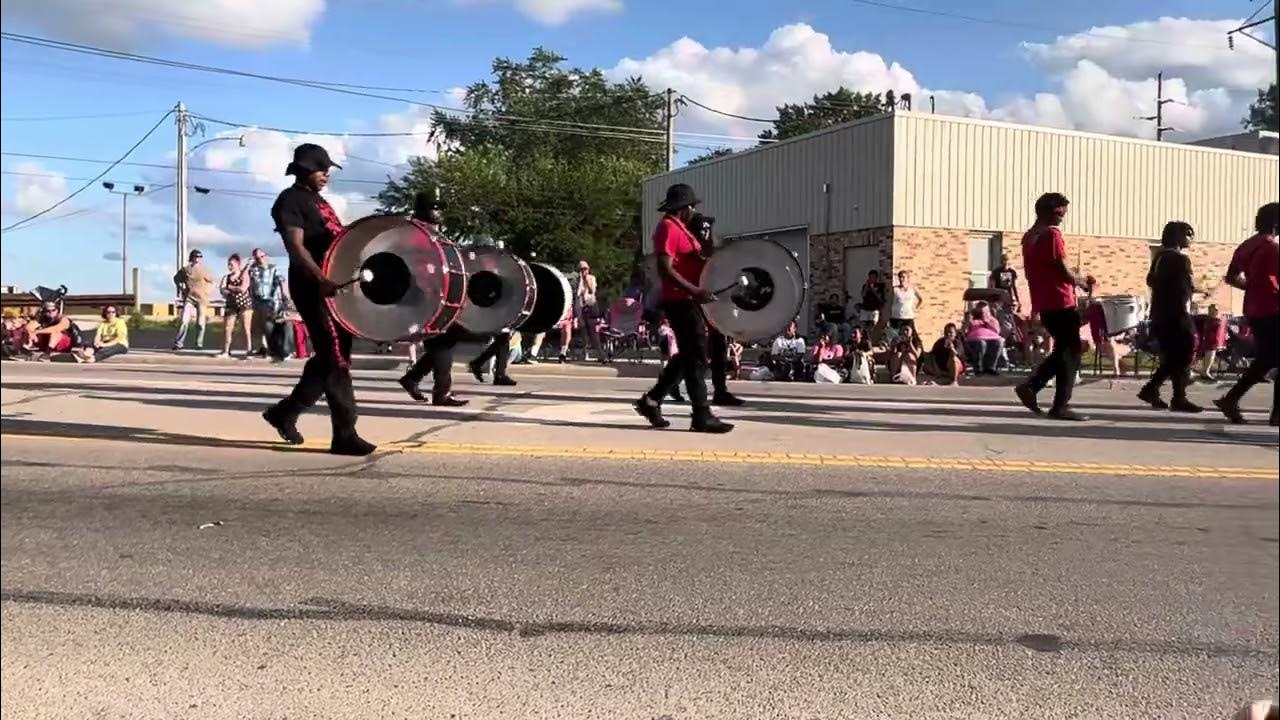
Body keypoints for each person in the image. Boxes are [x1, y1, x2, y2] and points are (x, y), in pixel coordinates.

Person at [262, 143, 375, 456]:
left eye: (327, 170)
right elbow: (296, 248)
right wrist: (322, 280)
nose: (326, 174)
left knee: (331, 356)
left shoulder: (319, 201)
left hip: (333, 286)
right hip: (312, 287)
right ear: (304, 169)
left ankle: (285, 413)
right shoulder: (289, 201)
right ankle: (345, 435)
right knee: (336, 359)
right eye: (321, 169)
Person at [633, 183, 732, 433]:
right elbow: (665, 269)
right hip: (680, 300)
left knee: (690, 353)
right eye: (692, 207)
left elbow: (699, 259)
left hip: (688, 299)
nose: (694, 211)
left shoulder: (682, 229)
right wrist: (695, 290)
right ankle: (701, 414)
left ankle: (651, 401)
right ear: (684, 208)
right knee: (697, 353)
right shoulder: (667, 227)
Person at [1014, 192, 1094, 421]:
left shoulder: (1029, 237)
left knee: (1064, 350)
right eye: (1058, 213)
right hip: (1060, 300)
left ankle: (1032, 387)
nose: (1061, 218)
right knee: (1071, 351)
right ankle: (1057, 403)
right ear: (1045, 212)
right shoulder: (1051, 234)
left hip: (1043, 300)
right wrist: (1081, 281)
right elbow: (1062, 268)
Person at [398, 190, 476, 406]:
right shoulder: (416, 233)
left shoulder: (435, 233)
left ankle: (412, 378)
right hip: (424, 297)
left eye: (440, 208)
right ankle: (441, 393)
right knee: (441, 345)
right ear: (423, 210)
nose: (439, 212)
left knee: (449, 338)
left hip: (440, 296)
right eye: (434, 208)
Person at [1215, 202, 1279, 426]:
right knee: (1268, 358)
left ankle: (1233, 400)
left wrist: (1251, 288)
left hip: (1254, 309)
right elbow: (1274, 282)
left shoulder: (1246, 246)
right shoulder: (1272, 249)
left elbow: (1232, 277)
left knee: (1267, 358)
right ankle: (1234, 400)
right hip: (1273, 309)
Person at [1138, 221, 1202, 413]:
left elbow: (1151, 281)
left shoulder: (1159, 257)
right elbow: (1184, 288)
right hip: (1176, 313)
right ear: (1177, 237)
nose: (1190, 239)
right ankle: (1170, 394)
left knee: (1173, 355)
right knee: (1185, 352)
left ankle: (1160, 391)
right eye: (1187, 235)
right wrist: (1191, 295)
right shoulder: (1180, 259)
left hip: (1160, 313)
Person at [685, 212, 743, 406]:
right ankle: (677, 385)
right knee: (695, 348)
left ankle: (720, 390)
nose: (706, 233)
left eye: (707, 230)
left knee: (718, 346)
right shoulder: (690, 253)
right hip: (694, 303)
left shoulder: (713, 254)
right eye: (702, 230)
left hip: (712, 305)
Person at [172, 249, 213, 350]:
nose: (197, 259)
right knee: (184, 320)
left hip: (201, 298)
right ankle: (179, 343)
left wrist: (207, 292)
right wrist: (181, 288)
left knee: (200, 322)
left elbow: (211, 282)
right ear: (192, 258)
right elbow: (176, 279)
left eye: (199, 257)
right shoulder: (185, 269)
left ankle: (199, 343)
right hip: (189, 297)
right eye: (196, 257)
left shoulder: (204, 270)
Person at [249, 247, 286, 357]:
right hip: (257, 301)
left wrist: (284, 294)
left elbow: (281, 281)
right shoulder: (253, 269)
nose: (260, 259)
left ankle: (275, 349)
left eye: (261, 256)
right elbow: (250, 283)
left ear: (266, 256)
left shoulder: (273, 268)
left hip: (270, 300)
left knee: (269, 326)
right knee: (259, 326)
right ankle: (262, 348)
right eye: (257, 258)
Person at [217, 253, 253, 359]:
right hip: (231, 304)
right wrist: (228, 290)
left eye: (231, 264)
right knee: (228, 328)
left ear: (238, 264)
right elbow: (222, 290)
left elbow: (243, 288)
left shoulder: (244, 274)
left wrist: (230, 287)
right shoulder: (226, 277)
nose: (229, 267)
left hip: (244, 304)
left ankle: (249, 351)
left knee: (246, 328)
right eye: (228, 264)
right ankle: (226, 351)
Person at [574, 260, 606, 362]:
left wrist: (586, 280)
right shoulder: (576, 280)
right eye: (581, 269)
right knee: (583, 331)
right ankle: (584, 353)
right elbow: (577, 293)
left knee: (593, 331)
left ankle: (601, 354)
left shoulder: (592, 278)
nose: (583, 271)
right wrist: (580, 281)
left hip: (590, 306)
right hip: (580, 306)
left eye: (585, 269)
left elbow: (592, 290)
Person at [964, 302, 1005, 375]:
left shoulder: (992, 320)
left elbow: (997, 331)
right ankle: (978, 368)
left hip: (991, 339)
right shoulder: (972, 320)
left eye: (985, 312)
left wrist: (987, 322)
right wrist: (968, 323)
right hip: (975, 339)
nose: (982, 314)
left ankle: (991, 367)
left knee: (999, 342)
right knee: (981, 343)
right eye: (980, 312)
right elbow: (965, 331)